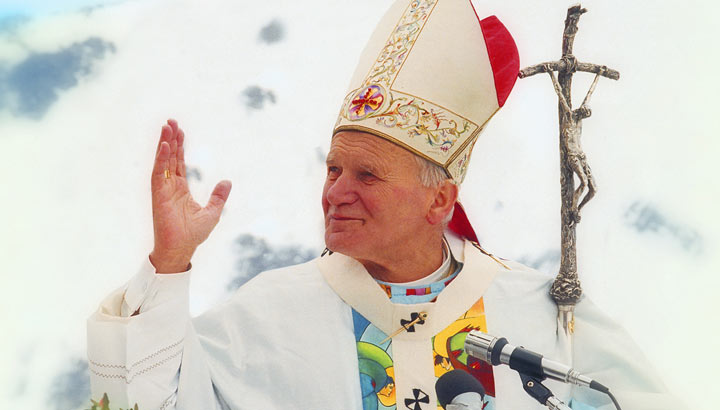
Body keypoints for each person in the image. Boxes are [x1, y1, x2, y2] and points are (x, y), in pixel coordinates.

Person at [87, 1, 679, 409]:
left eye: (367, 174)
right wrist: (169, 263)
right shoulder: (271, 314)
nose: (336, 192)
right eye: (333, 168)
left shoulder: (536, 308)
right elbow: (150, 400)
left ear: (439, 199)